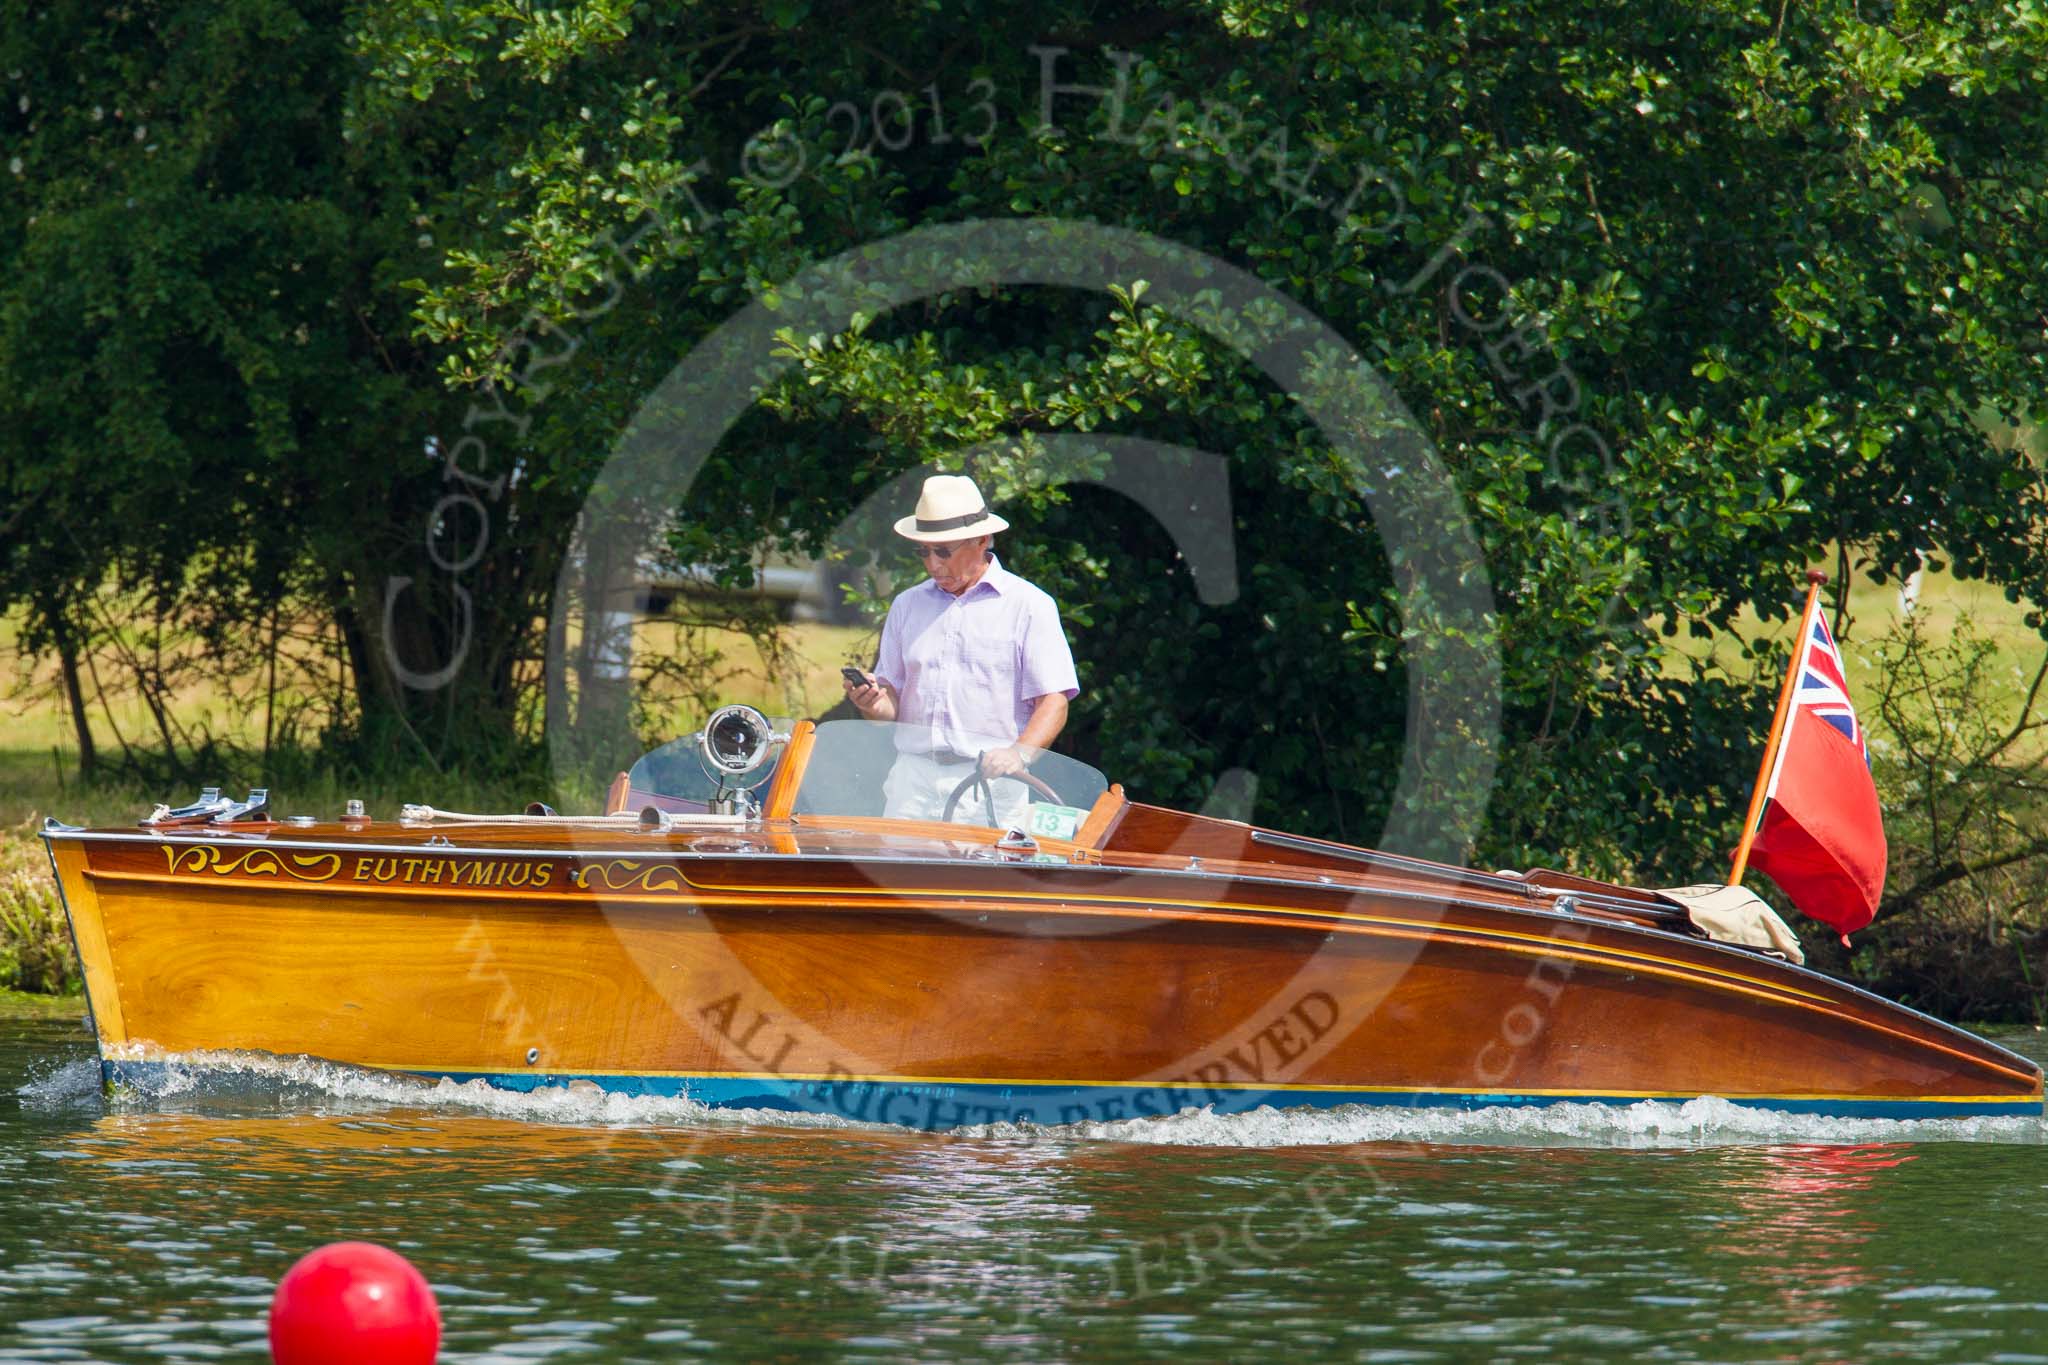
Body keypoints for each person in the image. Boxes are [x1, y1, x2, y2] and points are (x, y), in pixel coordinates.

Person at [842, 474, 1079, 823]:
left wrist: (1019, 755)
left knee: (981, 881)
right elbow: (890, 708)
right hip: (913, 781)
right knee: (897, 879)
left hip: (991, 783)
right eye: (923, 551)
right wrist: (872, 702)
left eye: (943, 551)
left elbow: (1055, 701)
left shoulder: (1029, 605)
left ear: (982, 540)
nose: (932, 564)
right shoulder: (907, 605)